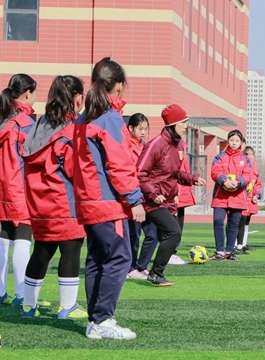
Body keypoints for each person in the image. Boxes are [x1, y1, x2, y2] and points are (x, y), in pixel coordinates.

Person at [73, 57, 145, 339]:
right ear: (118, 86)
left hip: (87, 200)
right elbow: (120, 164)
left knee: (97, 259)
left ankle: (95, 321)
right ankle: (103, 320)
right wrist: (135, 199)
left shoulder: (83, 118)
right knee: (119, 257)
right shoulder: (111, 118)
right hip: (107, 202)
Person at [21, 75, 85, 318]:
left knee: (42, 251)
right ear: (76, 97)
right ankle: (67, 307)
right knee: (71, 249)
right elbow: (73, 168)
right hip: (63, 198)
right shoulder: (71, 128)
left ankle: (28, 306)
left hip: (38, 200)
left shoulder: (39, 124)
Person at [136, 104, 204, 286]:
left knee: (165, 234)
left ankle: (149, 270)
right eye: (184, 122)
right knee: (173, 231)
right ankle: (154, 273)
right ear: (173, 124)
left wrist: (192, 178)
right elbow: (140, 172)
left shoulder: (178, 146)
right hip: (151, 200)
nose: (186, 126)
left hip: (166, 199)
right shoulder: (156, 144)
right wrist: (153, 193)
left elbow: (174, 174)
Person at [0, 74, 42, 308]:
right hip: (20, 187)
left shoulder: (4, 117)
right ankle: (22, 293)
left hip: (3, 188)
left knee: (4, 238)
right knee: (23, 240)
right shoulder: (25, 123)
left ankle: (1, 292)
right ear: (27, 94)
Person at [125, 113, 160, 280]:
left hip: (147, 197)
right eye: (140, 128)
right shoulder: (125, 146)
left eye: (145, 129)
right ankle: (130, 267)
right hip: (134, 197)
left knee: (152, 233)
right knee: (134, 235)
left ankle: (141, 266)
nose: (143, 132)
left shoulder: (145, 147)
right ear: (130, 128)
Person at [210, 129, 253, 261]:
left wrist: (238, 182)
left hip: (238, 196)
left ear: (241, 143)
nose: (234, 143)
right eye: (232, 140)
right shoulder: (219, 157)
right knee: (218, 221)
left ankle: (229, 251)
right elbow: (215, 172)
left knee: (234, 224)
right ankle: (219, 251)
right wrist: (224, 181)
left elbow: (248, 175)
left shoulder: (245, 159)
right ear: (228, 141)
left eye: (237, 141)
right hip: (221, 195)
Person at [170, 138, 197, 263]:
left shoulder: (182, 146)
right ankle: (169, 253)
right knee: (171, 226)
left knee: (179, 224)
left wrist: (190, 180)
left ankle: (172, 253)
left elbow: (183, 171)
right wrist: (174, 191)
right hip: (173, 191)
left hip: (182, 190)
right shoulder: (169, 146)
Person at [236, 146, 261, 253]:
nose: (250, 157)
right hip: (243, 199)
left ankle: (243, 244)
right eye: (247, 154)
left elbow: (258, 184)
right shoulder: (242, 167)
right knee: (238, 221)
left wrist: (257, 195)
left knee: (246, 222)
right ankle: (236, 245)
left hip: (251, 201)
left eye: (252, 155)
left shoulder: (254, 174)